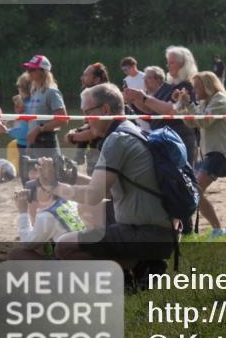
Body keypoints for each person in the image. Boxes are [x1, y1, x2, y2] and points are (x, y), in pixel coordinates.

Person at [40, 83, 176, 271]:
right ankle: (142, 265)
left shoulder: (117, 139)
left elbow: (94, 195)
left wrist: (53, 186)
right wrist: (72, 178)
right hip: (161, 233)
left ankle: (137, 269)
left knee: (64, 246)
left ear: (105, 110)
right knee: (91, 212)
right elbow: (106, 190)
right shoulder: (130, 129)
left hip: (147, 233)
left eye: (88, 112)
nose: (86, 120)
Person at [175, 71, 226, 239]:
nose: (194, 90)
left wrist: (189, 104)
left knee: (194, 190)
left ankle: (218, 230)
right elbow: (191, 123)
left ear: (207, 86)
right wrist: (182, 104)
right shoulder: (206, 102)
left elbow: (204, 121)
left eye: (197, 87)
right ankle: (218, 229)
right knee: (194, 191)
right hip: (209, 153)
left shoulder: (220, 100)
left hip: (220, 151)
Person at [123, 51, 198, 165]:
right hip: (164, 139)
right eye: (168, 63)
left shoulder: (186, 85)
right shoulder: (168, 87)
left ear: (183, 64)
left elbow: (171, 110)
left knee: (185, 174)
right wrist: (133, 100)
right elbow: (151, 112)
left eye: (172, 63)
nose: (168, 66)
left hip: (180, 140)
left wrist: (142, 97)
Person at [20, 55, 68, 189]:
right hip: (33, 142)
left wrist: (39, 129)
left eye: (32, 69)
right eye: (28, 69)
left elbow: (63, 119)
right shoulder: (35, 91)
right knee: (32, 180)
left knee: (49, 182)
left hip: (46, 141)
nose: (28, 72)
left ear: (43, 71)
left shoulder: (52, 91)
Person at [9, 180, 84, 260]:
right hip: (84, 254)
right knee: (41, 243)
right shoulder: (69, 202)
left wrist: (23, 212)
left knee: (17, 254)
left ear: (47, 191)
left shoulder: (47, 216)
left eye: (33, 190)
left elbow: (27, 244)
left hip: (72, 262)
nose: (30, 195)